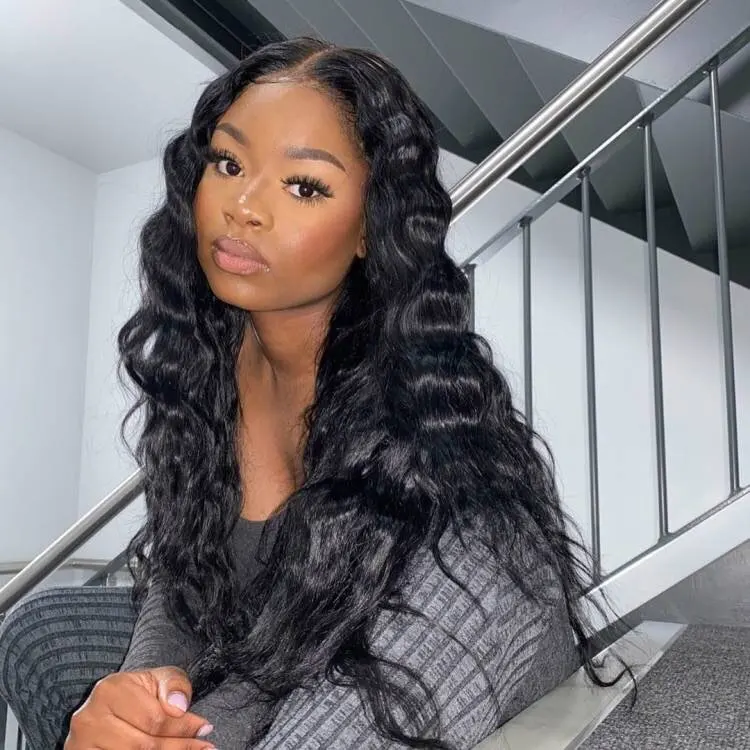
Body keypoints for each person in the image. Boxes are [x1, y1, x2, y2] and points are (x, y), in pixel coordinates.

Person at [57, 37, 621, 749]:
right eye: (229, 163)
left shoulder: (448, 492)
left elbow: (336, 673)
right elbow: (185, 569)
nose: (243, 206)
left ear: (369, 231)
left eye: (304, 187)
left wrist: (176, 733)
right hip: (271, 653)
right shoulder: (209, 366)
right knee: (45, 632)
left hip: (414, 652)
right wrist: (142, 690)